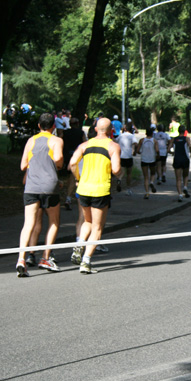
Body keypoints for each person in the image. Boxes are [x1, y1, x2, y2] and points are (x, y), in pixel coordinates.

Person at [68, 117, 121, 274]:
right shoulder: (113, 146)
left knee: (87, 221)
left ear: (96, 129)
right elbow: (116, 169)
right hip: (100, 189)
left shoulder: (84, 145)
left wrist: (78, 177)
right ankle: (86, 261)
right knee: (97, 227)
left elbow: (72, 163)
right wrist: (120, 173)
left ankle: (80, 242)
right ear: (111, 130)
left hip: (84, 188)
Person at [15, 113, 64, 277]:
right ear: (53, 127)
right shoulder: (56, 141)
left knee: (28, 223)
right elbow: (58, 160)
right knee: (54, 222)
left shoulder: (31, 141)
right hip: (49, 186)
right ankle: (45, 257)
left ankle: (21, 259)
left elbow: (23, 165)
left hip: (31, 186)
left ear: (38, 126)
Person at [62, 117, 87, 210]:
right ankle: (79, 197)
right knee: (78, 177)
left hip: (68, 157)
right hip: (79, 157)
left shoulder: (65, 133)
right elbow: (85, 144)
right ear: (77, 123)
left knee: (71, 177)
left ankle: (68, 198)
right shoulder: (81, 133)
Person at [168, 125, 191, 202]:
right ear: (184, 131)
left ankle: (180, 195)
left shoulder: (174, 139)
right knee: (186, 175)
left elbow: (168, 149)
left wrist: (173, 152)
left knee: (178, 179)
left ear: (178, 131)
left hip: (177, 159)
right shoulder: (186, 139)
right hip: (185, 159)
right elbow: (190, 146)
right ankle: (185, 186)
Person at [136, 125, 158, 199]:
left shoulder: (142, 140)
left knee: (145, 177)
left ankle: (147, 193)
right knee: (153, 173)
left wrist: (141, 152)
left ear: (146, 133)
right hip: (152, 159)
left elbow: (138, 150)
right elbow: (157, 150)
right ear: (152, 133)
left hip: (144, 159)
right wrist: (157, 155)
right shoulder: (154, 141)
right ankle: (151, 182)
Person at [117, 122, 137, 196]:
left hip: (121, 156)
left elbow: (115, 141)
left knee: (122, 172)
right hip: (129, 156)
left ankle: (119, 179)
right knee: (129, 173)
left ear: (125, 128)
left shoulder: (121, 135)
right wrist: (134, 151)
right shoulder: (132, 136)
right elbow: (136, 143)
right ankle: (128, 189)